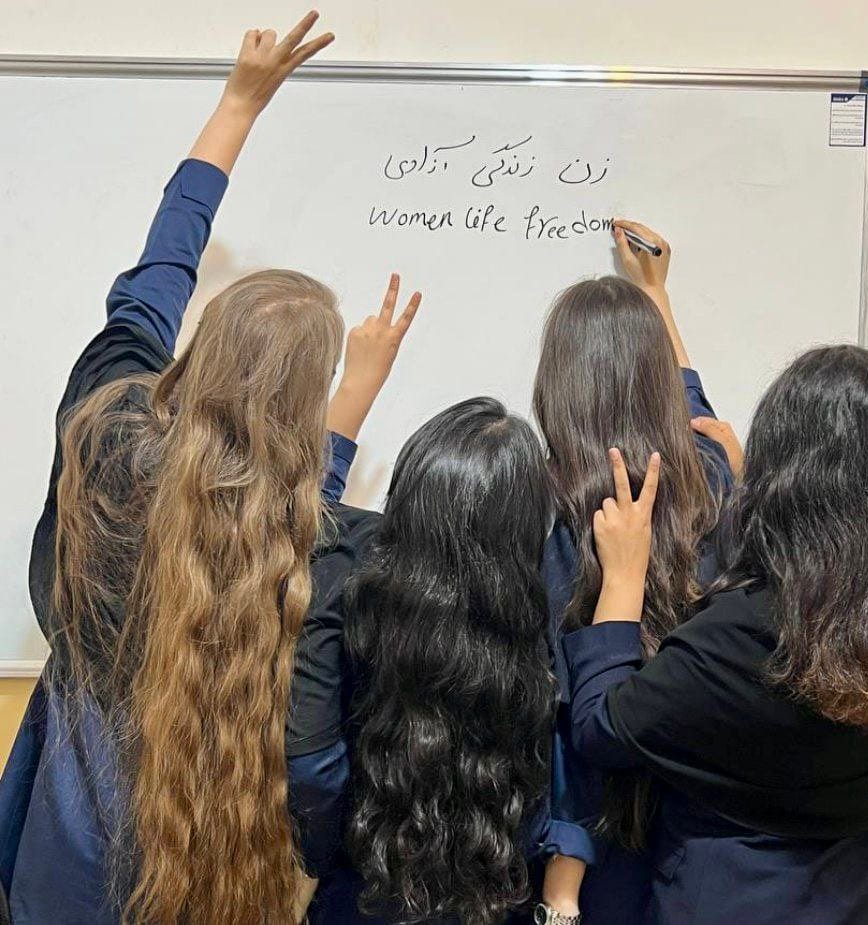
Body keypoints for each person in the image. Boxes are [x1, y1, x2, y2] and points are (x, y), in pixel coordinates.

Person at [0, 13, 422, 924]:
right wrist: (356, 390)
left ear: (201, 351)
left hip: (56, 875)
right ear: (300, 416)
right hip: (194, 879)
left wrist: (239, 104)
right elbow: (302, 504)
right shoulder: (288, 535)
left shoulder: (105, 430)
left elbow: (156, 274)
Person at [566, 346, 868, 924]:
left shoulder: (737, 639)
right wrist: (660, 302)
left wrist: (623, 580)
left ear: (782, 474)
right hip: (864, 900)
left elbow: (601, 726)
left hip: (737, 900)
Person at [533, 221, 734, 923]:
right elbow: (698, 417)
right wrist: (657, 302)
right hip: (686, 826)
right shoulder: (708, 482)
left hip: (577, 841)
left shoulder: (542, 503)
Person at [315, 398, 556, 925]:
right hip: (489, 904)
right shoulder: (539, 646)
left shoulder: (355, 612)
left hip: (357, 897)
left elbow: (300, 531)